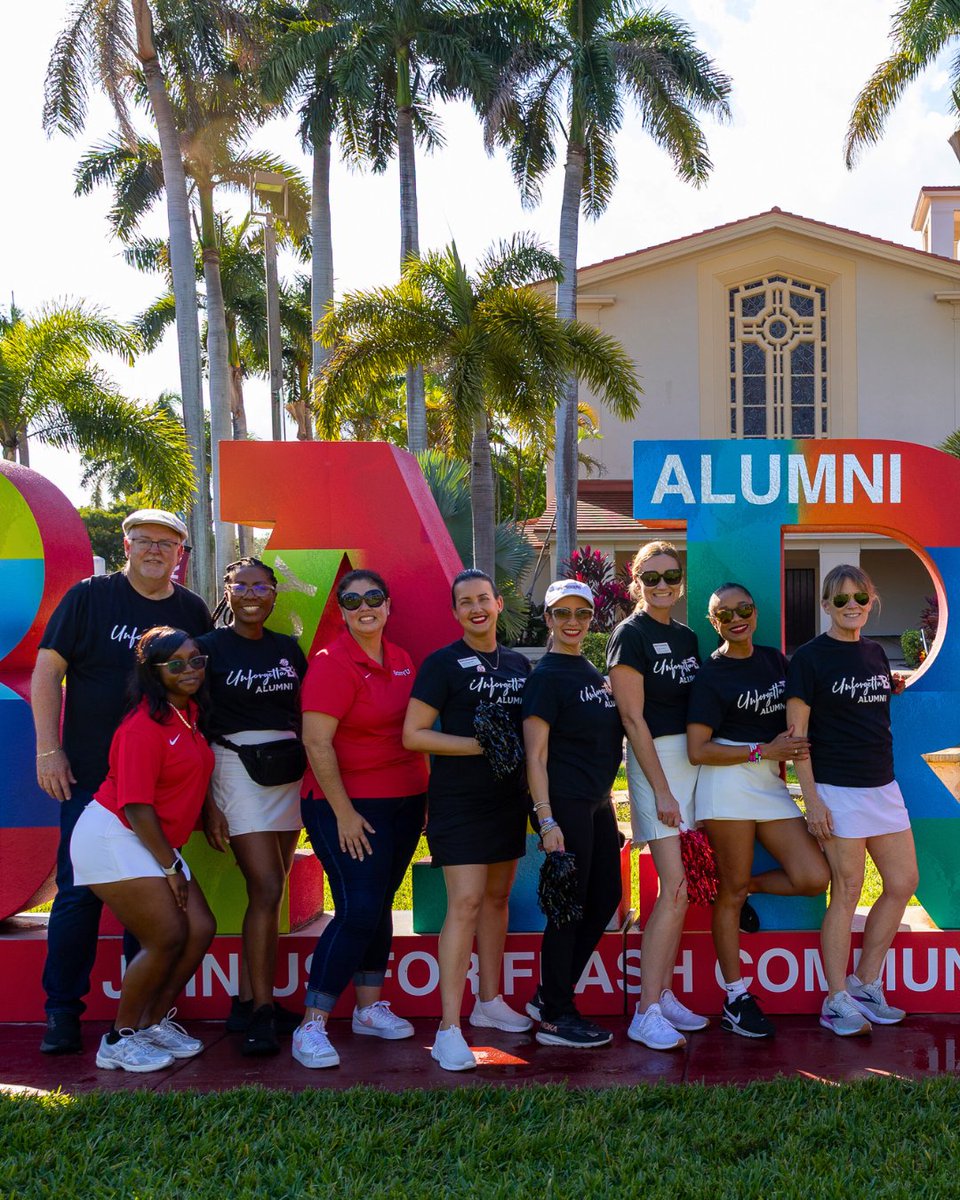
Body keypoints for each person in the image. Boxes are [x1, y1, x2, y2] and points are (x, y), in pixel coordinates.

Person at [32, 508, 212, 1055]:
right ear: (128, 544)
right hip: (90, 777)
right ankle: (62, 1013)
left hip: (160, 783)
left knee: (154, 909)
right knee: (77, 898)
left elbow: (200, 686)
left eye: (167, 543)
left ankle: (139, 1021)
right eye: (145, 540)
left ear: (180, 553)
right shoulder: (89, 596)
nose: (155, 550)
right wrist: (48, 749)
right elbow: (47, 673)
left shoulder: (190, 610)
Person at [293, 569, 428, 1069]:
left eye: (373, 597)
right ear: (342, 612)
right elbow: (315, 742)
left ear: (388, 605)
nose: (364, 607)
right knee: (358, 906)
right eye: (352, 601)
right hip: (345, 805)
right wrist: (344, 813)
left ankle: (369, 1009)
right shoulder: (331, 663)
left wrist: (428, 798)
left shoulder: (401, 660)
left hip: (404, 800)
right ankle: (312, 1025)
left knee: (379, 903)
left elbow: (414, 733)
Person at [69, 626, 216, 1072]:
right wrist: (170, 865)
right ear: (153, 671)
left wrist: (210, 815)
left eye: (196, 660)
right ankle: (118, 1038)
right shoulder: (142, 726)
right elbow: (135, 805)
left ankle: (152, 1023)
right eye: (176, 664)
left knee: (201, 927)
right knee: (167, 934)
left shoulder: (187, 713)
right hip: (114, 835)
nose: (189, 670)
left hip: (150, 838)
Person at [686, 582, 829, 1039]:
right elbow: (698, 750)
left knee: (813, 876)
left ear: (756, 610)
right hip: (727, 780)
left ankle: (745, 886)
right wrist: (761, 750)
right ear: (714, 624)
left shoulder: (774, 660)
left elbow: (806, 704)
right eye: (723, 614)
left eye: (743, 608)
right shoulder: (712, 674)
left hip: (766, 782)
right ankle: (736, 996)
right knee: (728, 893)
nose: (736, 618)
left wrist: (887, 682)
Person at [403, 568, 532, 1072]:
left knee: (498, 899)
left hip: (507, 800)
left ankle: (490, 1000)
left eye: (484, 598)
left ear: (499, 604)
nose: (476, 608)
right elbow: (414, 734)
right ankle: (449, 1027)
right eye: (465, 602)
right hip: (459, 802)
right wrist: (480, 746)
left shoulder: (520, 663)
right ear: (455, 612)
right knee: (467, 903)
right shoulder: (442, 664)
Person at [786, 565, 918, 1037]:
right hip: (837, 789)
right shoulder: (809, 658)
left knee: (903, 881)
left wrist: (893, 682)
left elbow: (872, 697)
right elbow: (796, 737)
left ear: (870, 599)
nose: (851, 606)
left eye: (859, 597)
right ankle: (835, 999)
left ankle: (865, 983)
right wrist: (813, 800)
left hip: (882, 785)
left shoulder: (875, 654)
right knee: (845, 891)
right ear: (826, 605)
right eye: (840, 600)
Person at [197, 557, 308, 1056]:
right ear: (226, 591)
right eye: (240, 585)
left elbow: (304, 713)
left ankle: (246, 1000)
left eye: (260, 586)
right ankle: (263, 1010)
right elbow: (192, 725)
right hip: (235, 769)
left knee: (275, 889)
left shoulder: (288, 650)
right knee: (264, 887)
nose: (250, 594)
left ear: (274, 595)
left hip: (286, 771)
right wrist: (207, 803)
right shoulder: (206, 649)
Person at [606, 541, 707, 1051]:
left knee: (682, 890)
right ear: (636, 581)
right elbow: (631, 718)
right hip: (656, 768)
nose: (663, 586)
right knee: (672, 889)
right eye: (652, 578)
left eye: (671, 577)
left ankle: (662, 995)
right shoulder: (630, 635)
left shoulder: (687, 638)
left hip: (689, 765)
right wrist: (662, 789)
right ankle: (644, 1012)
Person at [522, 579, 624, 1048]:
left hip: (597, 802)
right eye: (561, 613)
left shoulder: (587, 668)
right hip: (564, 802)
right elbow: (536, 755)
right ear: (547, 619)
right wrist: (546, 819)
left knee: (604, 899)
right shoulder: (545, 677)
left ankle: (550, 995)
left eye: (581, 613)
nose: (573, 622)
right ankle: (557, 1014)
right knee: (569, 908)